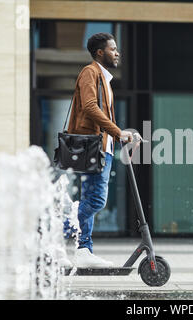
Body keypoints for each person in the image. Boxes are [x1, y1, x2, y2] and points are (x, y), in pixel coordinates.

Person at [64, 32, 134, 268]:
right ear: (100, 52)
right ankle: (56, 229)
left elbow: (101, 112)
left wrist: (121, 134)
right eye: (113, 49)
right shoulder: (90, 73)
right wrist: (117, 131)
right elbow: (90, 107)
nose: (117, 53)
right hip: (93, 145)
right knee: (95, 200)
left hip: (101, 146)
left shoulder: (104, 78)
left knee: (90, 197)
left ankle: (84, 249)